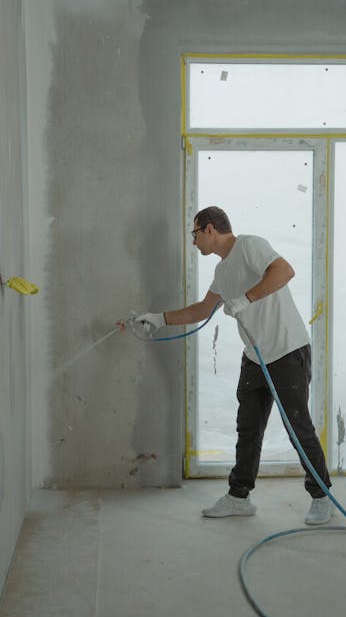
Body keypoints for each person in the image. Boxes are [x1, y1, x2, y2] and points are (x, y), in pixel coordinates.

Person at [134, 206, 333, 525]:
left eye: (195, 233)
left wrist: (246, 298)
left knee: (298, 428)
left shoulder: (250, 245)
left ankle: (321, 496)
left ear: (209, 229)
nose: (194, 241)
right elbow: (201, 309)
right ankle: (239, 497)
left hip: (287, 350)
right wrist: (159, 319)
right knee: (248, 428)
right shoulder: (222, 273)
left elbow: (284, 271)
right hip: (255, 356)